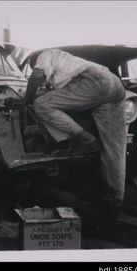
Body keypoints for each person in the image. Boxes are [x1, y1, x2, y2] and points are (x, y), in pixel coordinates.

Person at [21, 48, 127, 217]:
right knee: (114, 149)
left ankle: (86, 140)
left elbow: (37, 76)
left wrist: (25, 101)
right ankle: (114, 202)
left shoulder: (44, 55)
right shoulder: (69, 62)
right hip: (114, 85)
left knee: (41, 105)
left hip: (93, 81)